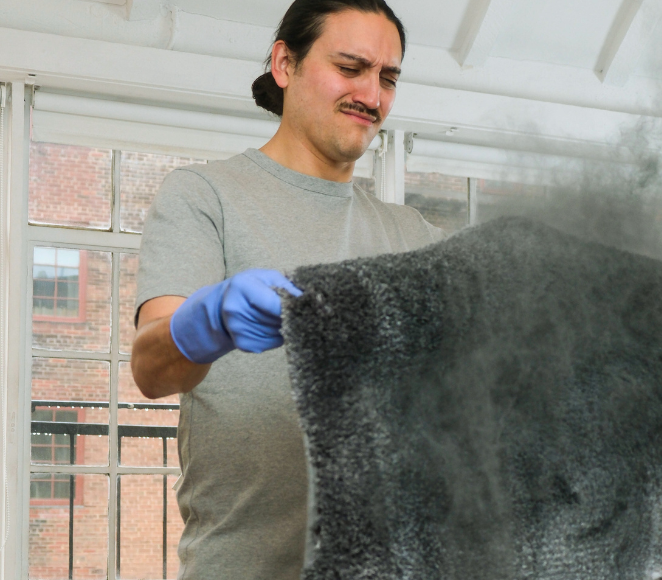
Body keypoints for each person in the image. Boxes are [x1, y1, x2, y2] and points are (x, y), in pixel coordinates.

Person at [130, 1, 444, 578]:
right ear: (284, 63)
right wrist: (209, 322)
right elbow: (152, 371)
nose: (372, 96)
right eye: (351, 68)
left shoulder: (413, 235)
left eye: (388, 78)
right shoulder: (205, 196)